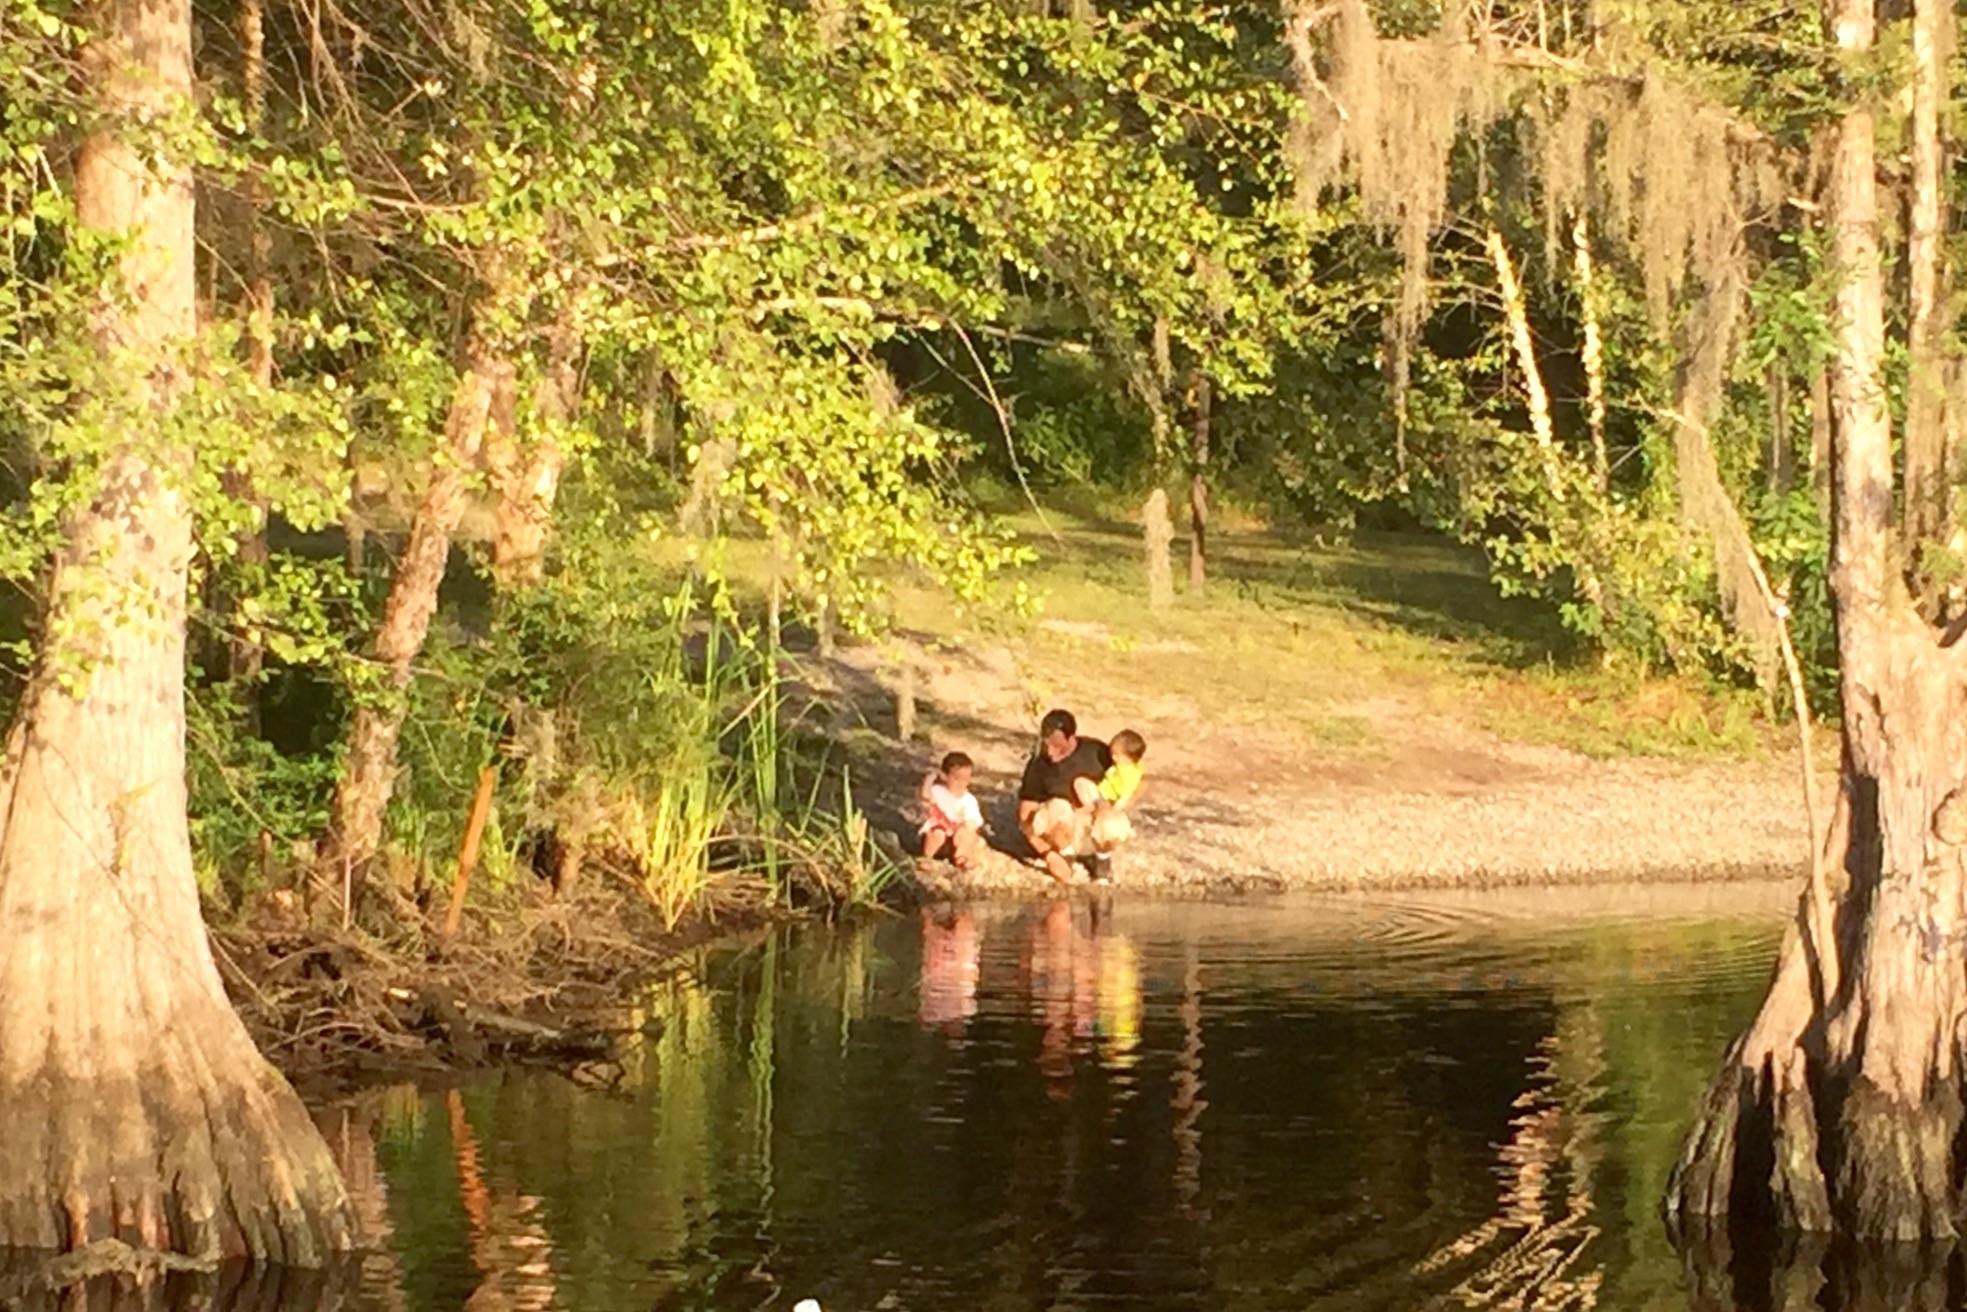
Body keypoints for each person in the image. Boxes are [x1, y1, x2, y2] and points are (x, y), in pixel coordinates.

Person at [1017, 708, 1114, 884]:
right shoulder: (1039, 764)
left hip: (1088, 822)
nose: (1052, 753)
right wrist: (1046, 853)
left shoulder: (1097, 753)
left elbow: (1130, 777)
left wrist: (1112, 805)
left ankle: (1102, 860)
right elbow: (1025, 815)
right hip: (1059, 828)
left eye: (1058, 746)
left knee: (1110, 813)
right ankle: (1064, 856)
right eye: (1048, 745)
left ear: (1071, 738)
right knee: (1057, 806)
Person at [919, 751, 985, 869]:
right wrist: (929, 780)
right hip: (938, 834)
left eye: (966, 779)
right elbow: (925, 797)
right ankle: (927, 857)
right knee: (938, 832)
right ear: (945, 776)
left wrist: (967, 828)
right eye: (957, 779)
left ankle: (962, 857)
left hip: (956, 837)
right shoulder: (938, 791)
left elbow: (973, 822)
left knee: (965, 833)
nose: (961, 783)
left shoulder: (969, 800)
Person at [1090, 728, 1146, 850]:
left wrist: (1116, 808)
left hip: (1109, 797)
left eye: (1117, 755)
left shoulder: (1129, 774)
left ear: (1130, 758)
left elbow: (1127, 793)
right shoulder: (1120, 766)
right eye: (1112, 753)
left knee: (1106, 818)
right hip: (1103, 791)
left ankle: (1121, 829)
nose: (1113, 757)